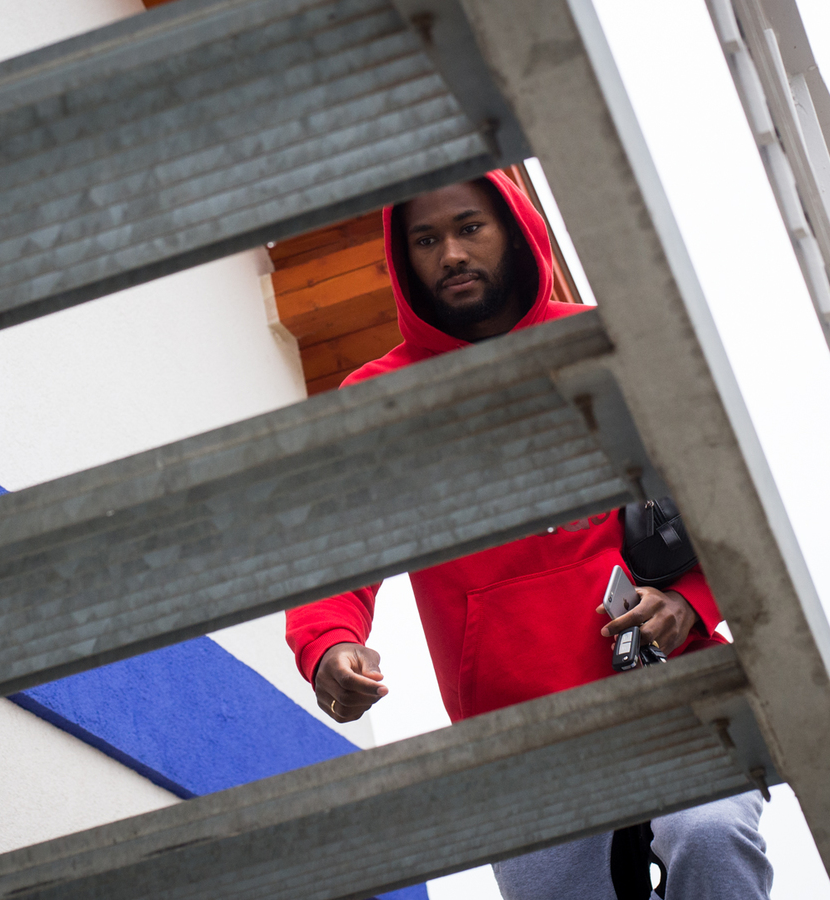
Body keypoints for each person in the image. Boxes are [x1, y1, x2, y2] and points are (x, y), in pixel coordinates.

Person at [284, 171, 773, 900]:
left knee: (710, 837)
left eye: (468, 227)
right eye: (426, 239)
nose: (451, 253)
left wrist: (690, 601)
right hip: (518, 734)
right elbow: (334, 548)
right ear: (402, 257)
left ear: (512, 229)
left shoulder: (606, 343)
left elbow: (728, 504)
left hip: (667, 683)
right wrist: (329, 644)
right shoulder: (382, 399)